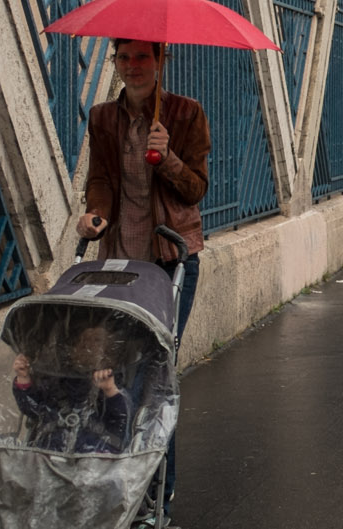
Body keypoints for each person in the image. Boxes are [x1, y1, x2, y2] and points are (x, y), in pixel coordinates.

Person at [76, 38, 208, 507]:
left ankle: (156, 492)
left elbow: (195, 190)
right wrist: (94, 213)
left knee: (152, 375)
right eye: (124, 58)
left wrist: (166, 155)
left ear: (159, 60)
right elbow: (101, 178)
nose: (133, 67)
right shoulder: (102, 118)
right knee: (112, 373)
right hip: (119, 264)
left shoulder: (186, 114)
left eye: (142, 57)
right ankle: (116, 481)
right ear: (115, 62)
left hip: (170, 263)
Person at [12, 323, 132, 454]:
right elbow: (33, 410)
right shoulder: (57, 380)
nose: (87, 345)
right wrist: (23, 378)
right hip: (50, 453)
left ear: (109, 351)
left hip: (94, 457)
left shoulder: (112, 380)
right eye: (83, 340)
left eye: (96, 340)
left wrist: (110, 391)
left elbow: (121, 424)